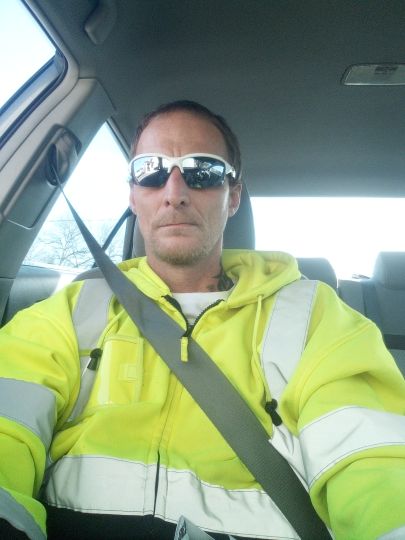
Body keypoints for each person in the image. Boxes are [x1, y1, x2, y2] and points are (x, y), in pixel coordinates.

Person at [0, 100, 405, 540]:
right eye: (151, 170)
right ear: (133, 196)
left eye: (203, 170)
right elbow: (8, 426)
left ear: (234, 197)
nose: (174, 191)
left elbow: (373, 458)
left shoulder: (313, 314)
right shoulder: (75, 307)